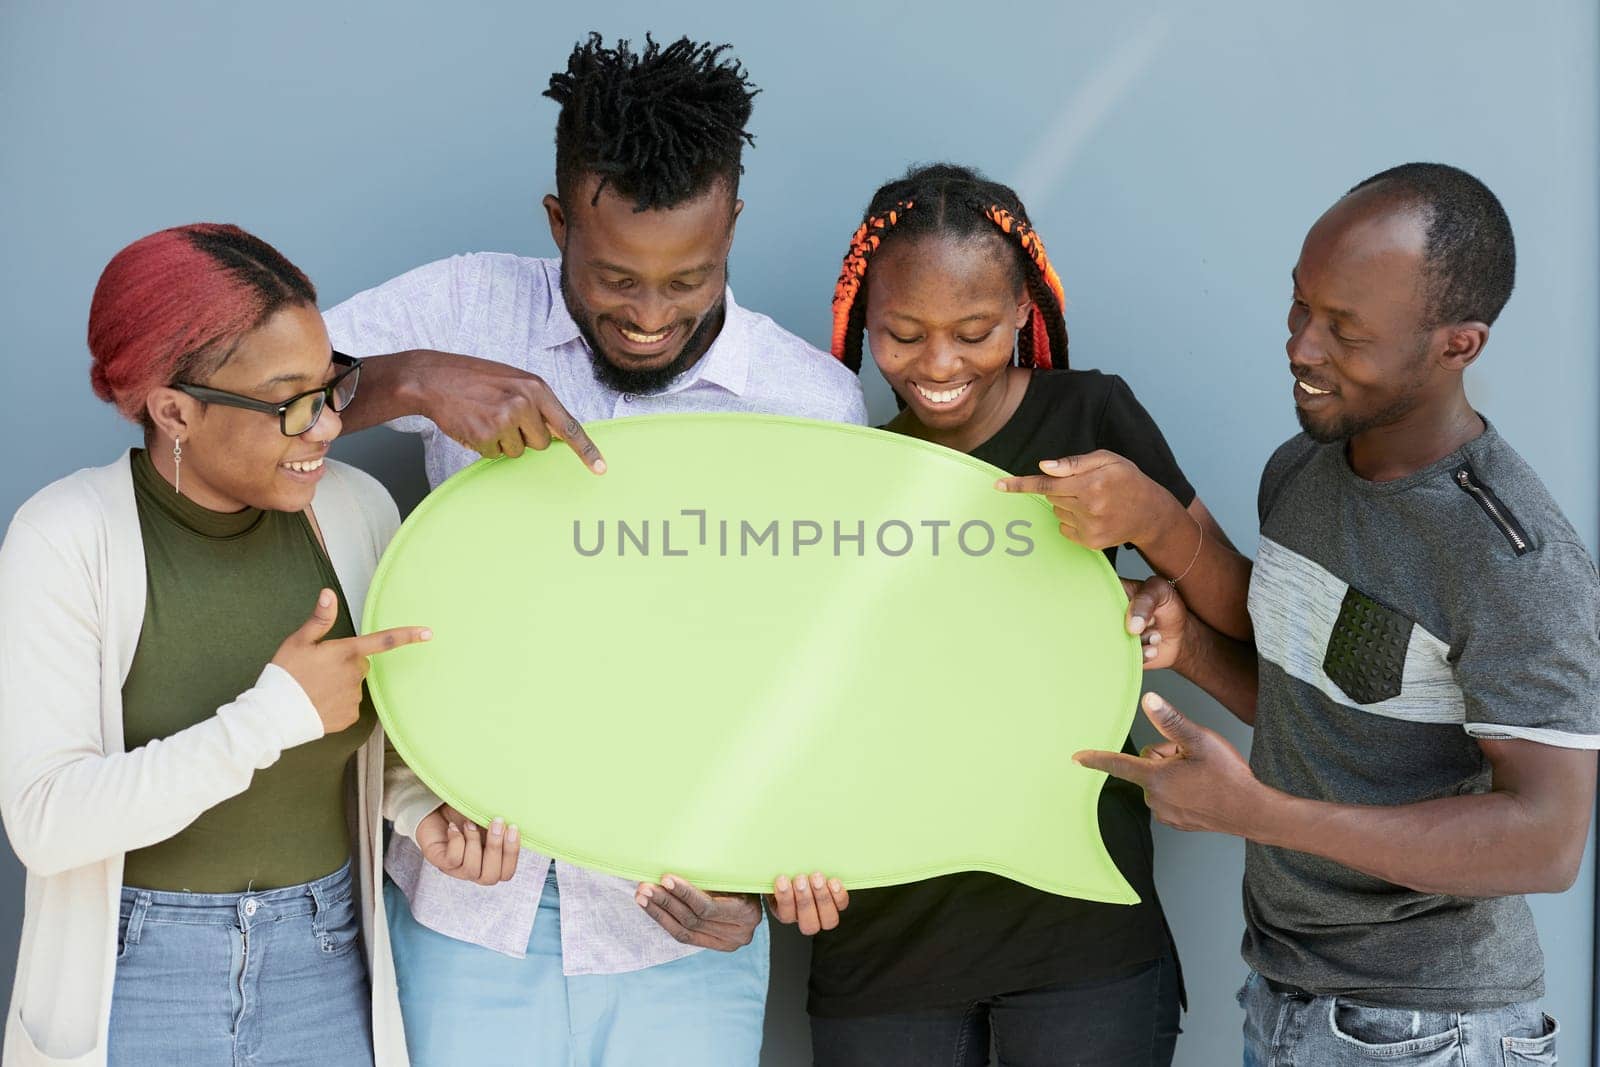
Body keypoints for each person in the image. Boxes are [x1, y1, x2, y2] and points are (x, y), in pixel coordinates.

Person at [323, 33, 867, 1066]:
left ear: (734, 224)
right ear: (557, 220)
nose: (650, 315)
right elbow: (244, 405)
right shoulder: (465, 305)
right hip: (467, 902)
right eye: (615, 277)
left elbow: (823, 673)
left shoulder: (814, 408)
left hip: (680, 932)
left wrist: (757, 878)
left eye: (689, 279)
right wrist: (415, 381)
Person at [1078, 163, 1597, 1066]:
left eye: (1346, 330)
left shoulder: (1514, 561)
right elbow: (1324, 709)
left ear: (1456, 345)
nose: (1302, 347)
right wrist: (1190, 644)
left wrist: (1255, 812)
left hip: (1430, 1030)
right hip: (1287, 997)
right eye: (1300, 305)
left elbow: (1545, 842)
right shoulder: (1304, 468)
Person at [764, 162, 1252, 1067]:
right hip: (885, 936)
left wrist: (1149, 516)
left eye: (974, 330)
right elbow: (796, 700)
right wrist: (781, 853)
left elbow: (1252, 629)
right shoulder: (840, 476)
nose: (939, 366)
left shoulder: (1091, 416)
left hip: (1081, 930)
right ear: (863, 319)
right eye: (903, 335)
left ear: (1025, 311)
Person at [0, 223, 429, 1066]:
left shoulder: (357, 512)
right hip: (136, 975)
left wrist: (424, 813)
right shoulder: (64, 537)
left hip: (326, 959)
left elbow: (374, 737)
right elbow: (45, 822)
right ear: (175, 411)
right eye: (288, 402)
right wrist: (267, 717)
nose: (327, 427)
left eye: (331, 386)